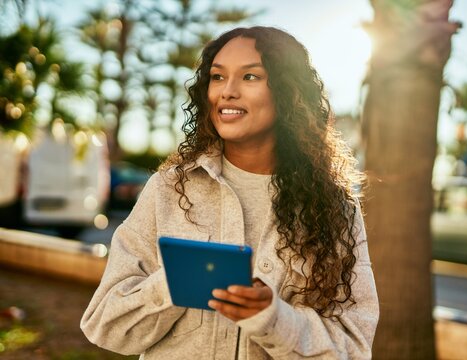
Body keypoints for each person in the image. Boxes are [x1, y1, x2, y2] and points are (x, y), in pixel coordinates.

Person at [81, 26, 379, 359]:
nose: (228, 92)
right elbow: (104, 324)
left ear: (288, 91)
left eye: (250, 77)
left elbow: (352, 348)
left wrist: (272, 319)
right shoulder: (168, 189)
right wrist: (177, 282)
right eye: (218, 77)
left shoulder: (336, 209)